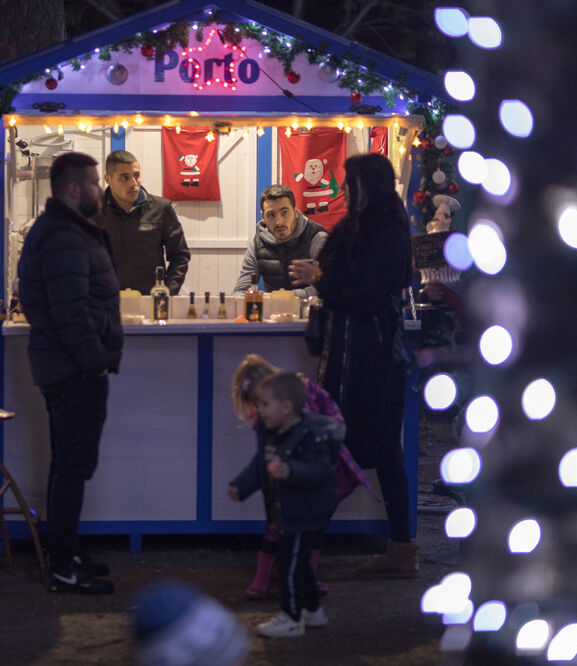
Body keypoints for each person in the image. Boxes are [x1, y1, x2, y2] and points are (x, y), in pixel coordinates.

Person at [290, 152, 416, 578]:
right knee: (381, 451)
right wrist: (323, 271)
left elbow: (361, 293)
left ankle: (300, 548)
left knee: (343, 445)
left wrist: (319, 277)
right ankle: (401, 549)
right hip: (375, 350)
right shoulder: (384, 224)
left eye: (350, 183)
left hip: (367, 355)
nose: (344, 191)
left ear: (366, 186)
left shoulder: (380, 229)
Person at [18, 151, 123, 594]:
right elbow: (70, 312)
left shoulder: (66, 230)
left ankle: (66, 550)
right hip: (73, 369)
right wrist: (95, 362)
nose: (102, 191)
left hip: (67, 366)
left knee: (69, 464)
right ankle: (62, 567)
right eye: (97, 184)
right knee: (71, 467)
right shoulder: (64, 235)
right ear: (75, 190)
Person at [230, 354, 382, 600]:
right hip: (308, 473)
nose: (261, 411)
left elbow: (264, 456)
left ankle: (277, 580)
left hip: (309, 474)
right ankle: (294, 578)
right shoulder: (301, 394)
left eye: (263, 404)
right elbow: (334, 417)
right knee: (300, 527)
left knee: (291, 526)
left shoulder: (297, 405)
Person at [228, 372, 344, 638]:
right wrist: (241, 486)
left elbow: (320, 470)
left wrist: (291, 470)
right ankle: (313, 611)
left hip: (307, 512)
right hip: (289, 512)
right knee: (299, 565)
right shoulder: (273, 435)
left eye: (265, 404)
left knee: (289, 565)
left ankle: (291, 617)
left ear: (287, 406)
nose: (259, 410)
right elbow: (260, 465)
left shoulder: (309, 435)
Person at [93, 150, 191, 294]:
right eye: (124, 177)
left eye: (136, 175)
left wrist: (167, 292)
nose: (133, 183)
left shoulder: (161, 208)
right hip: (105, 302)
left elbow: (180, 256)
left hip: (150, 301)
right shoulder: (93, 212)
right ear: (108, 179)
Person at [232, 184, 328, 299]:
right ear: (263, 217)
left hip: (312, 313)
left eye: (284, 212)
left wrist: (283, 297)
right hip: (273, 314)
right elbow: (240, 292)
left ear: (296, 212)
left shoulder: (317, 238)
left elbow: (328, 287)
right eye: (271, 215)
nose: (279, 222)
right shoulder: (258, 244)